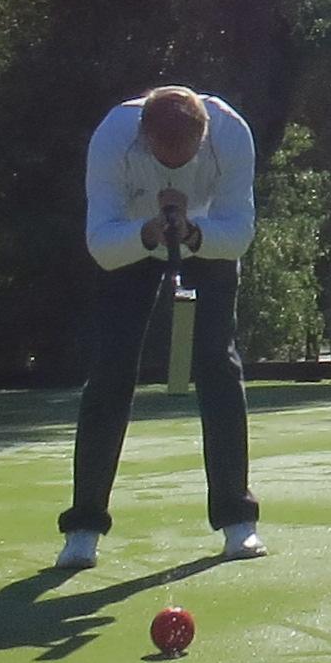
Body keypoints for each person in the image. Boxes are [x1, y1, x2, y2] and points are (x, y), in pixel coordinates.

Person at [56, 82, 263, 570]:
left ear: (204, 136)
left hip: (207, 238)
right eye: (161, 154)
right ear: (143, 138)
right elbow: (101, 242)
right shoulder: (113, 137)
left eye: (184, 154)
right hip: (132, 237)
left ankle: (239, 522)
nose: (173, 165)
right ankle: (83, 527)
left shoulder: (231, 133)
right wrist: (148, 233)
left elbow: (238, 235)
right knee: (110, 370)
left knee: (218, 363)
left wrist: (191, 233)